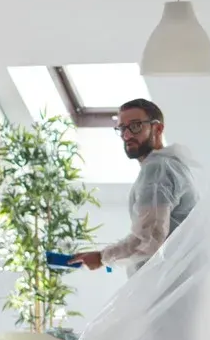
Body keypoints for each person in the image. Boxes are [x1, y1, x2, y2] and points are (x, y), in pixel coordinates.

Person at [76, 98, 198, 273]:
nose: (127, 135)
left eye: (135, 126)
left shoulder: (158, 169)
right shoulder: (173, 164)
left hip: (165, 282)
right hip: (176, 278)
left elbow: (149, 238)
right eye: (122, 128)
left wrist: (102, 257)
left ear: (158, 128)